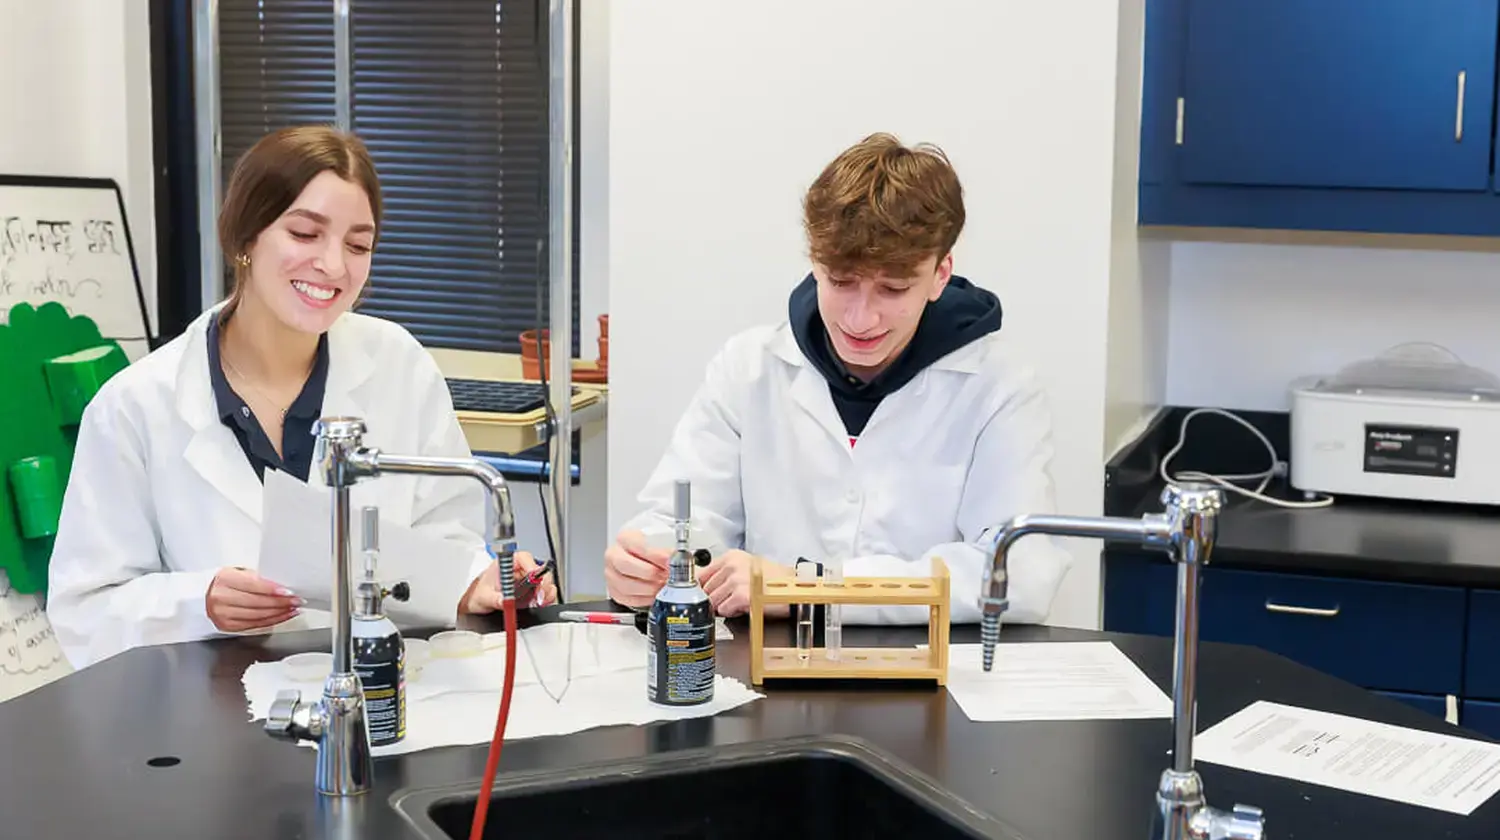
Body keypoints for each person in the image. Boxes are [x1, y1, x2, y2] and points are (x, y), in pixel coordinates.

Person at [46, 126, 556, 668]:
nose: (334, 266)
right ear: (245, 237)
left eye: (357, 245)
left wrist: (473, 581)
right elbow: (85, 612)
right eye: (305, 234)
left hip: (383, 694)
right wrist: (199, 603)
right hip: (214, 716)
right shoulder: (135, 405)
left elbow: (447, 539)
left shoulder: (398, 364)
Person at [604, 132, 1070, 624]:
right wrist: (644, 561)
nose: (860, 319)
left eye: (892, 288)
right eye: (841, 282)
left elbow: (1020, 576)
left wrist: (811, 590)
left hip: (932, 681)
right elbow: (684, 522)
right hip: (765, 674)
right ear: (814, 263)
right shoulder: (748, 369)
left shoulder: (999, 386)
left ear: (940, 274)